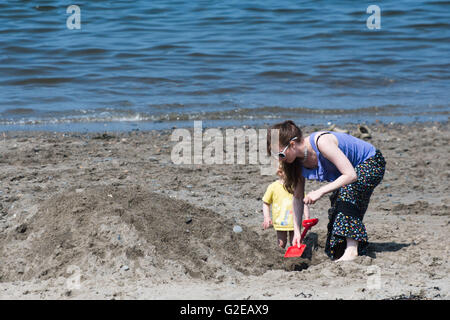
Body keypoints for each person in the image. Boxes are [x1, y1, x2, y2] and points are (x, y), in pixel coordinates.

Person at [267, 120, 386, 261]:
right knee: (334, 246)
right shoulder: (296, 162)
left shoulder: (321, 143)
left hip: (370, 162)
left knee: (346, 195)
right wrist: (297, 232)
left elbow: (351, 175)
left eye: (280, 155)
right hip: (349, 174)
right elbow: (298, 197)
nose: (279, 161)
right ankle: (353, 247)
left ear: (292, 145)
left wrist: (320, 191)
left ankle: (352, 250)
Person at [262, 164, 310, 249]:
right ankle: (281, 258)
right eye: (291, 171)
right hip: (280, 221)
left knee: (295, 242)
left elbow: (303, 202)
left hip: (294, 221)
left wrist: (307, 217)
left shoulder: (296, 185)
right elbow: (266, 202)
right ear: (281, 172)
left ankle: (295, 258)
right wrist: (267, 217)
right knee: (281, 243)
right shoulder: (273, 187)